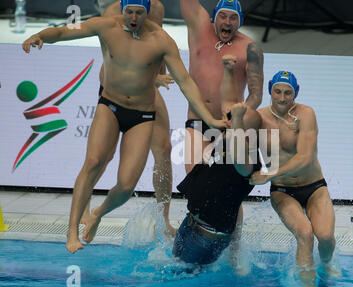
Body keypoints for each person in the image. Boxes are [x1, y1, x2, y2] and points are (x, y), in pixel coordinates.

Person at [22, 0, 227, 254]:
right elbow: (66, 31)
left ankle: (99, 212)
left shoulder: (161, 39)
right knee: (95, 160)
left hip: (142, 111)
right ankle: (72, 230)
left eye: (138, 13)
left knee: (127, 185)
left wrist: (210, 118)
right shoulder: (107, 23)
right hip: (110, 104)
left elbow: (185, 81)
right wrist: (41, 35)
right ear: (122, 9)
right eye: (129, 11)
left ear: (147, 11)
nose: (132, 17)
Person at [80, 0, 177, 238]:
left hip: (147, 89)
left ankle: (162, 220)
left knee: (164, 149)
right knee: (104, 156)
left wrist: (160, 76)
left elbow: (156, 47)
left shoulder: (157, 8)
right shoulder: (114, 11)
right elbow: (123, 57)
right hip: (115, 90)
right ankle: (84, 209)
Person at [180, 0, 264, 266]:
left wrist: (239, 114)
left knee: (230, 191)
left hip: (228, 126)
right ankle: (192, 242)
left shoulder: (250, 48)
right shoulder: (198, 27)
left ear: (240, 20)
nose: (227, 23)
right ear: (214, 17)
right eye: (223, 17)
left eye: (233, 18)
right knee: (196, 185)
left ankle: (234, 250)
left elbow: (256, 94)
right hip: (198, 121)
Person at [249, 71, 339, 287]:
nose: (282, 98)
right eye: (277, 92)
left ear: (295, 93)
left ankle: (327, 264)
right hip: (283, 190)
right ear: (270, 90)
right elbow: (237, 137)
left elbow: (305, 157)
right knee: (305, 234)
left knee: (325, 237)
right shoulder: (258, 118)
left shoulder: (306, 114)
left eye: (288, 93)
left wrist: (268, 174)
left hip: (314, 186)